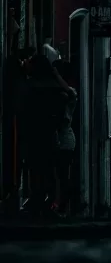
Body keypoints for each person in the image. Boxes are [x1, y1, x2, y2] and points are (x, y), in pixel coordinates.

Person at [20, 54, 66, 215]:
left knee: (35, 167)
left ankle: (37, 199)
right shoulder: (55, 86)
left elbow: (23, 110)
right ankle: (52, 200)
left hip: (34, 133)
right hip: (50, 133)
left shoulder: (30, 86)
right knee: (49, 168)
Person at [52, 61, 77, 216]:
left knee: (62, 174)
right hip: (60, 139)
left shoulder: (70, 93)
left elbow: (68, 92)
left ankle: (62, 205)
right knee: (58, 173)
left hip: (65, 140)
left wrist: (55, 75)